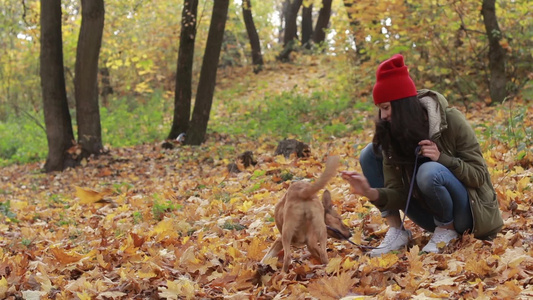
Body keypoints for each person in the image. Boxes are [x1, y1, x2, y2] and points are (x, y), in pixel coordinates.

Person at [341, 54, 503, 256]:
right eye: (380, 109)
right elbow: (399, 194)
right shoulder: (394, 132)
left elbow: (479, 176)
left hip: (470, 215)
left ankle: (448, 229)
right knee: (370, 153)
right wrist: (370, 192)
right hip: (430, 216)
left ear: (402, 106)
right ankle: (397, 231)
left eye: (386, 107)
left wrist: (442, 159)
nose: (383, 116)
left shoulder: (450, 120)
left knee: (429, 171)